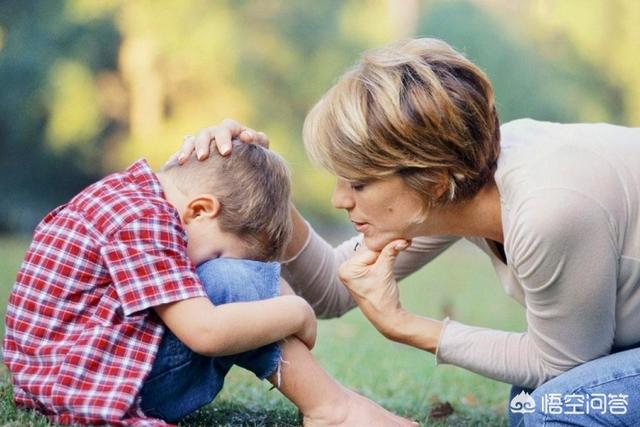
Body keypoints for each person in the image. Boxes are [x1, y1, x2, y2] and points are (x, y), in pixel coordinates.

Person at [177, 38, 640, 426]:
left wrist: (405, 325)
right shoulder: (460, 184)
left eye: (359, 183)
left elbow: (561, 365)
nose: (339, 200)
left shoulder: (548, 209)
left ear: (433, 180)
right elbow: (332, 289)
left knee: (554, 410)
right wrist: (254, 184)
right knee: (533, 404)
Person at [3, 141, 418, 426]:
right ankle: (331, 408)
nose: (202, 264)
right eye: (217, 250)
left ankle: (334, 402)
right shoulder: (145, 221)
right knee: (228, 279)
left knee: (231, 280)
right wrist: (299, 312)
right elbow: (205, 332)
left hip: (70, 376)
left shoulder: (128, 195)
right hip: (96, 387)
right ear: (201, 209)